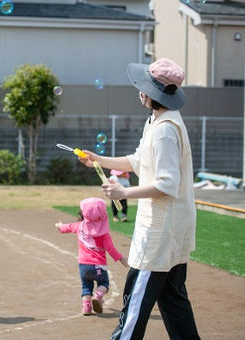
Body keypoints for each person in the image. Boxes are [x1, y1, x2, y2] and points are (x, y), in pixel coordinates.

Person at [77, 58, 200, 339]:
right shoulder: (158, 120)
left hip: (160, 232)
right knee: (174, 302)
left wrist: (124, 193)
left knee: (134, 305)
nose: (140, 91)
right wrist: (98, 160)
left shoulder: (166, 130)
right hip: (171, 229)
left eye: (143, 87)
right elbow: (138, 160)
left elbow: (167, 184)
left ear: (151, 93)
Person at [56, 197, 128, 315]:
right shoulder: (104, 232)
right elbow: (110, 249)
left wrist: (59, 225)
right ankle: (98, 295)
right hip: (99, 265)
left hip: (84, 265)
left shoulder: (78, 226)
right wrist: (121, 258)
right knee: (104, 284)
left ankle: (86, 307)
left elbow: (65, 228)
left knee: (86, 287)